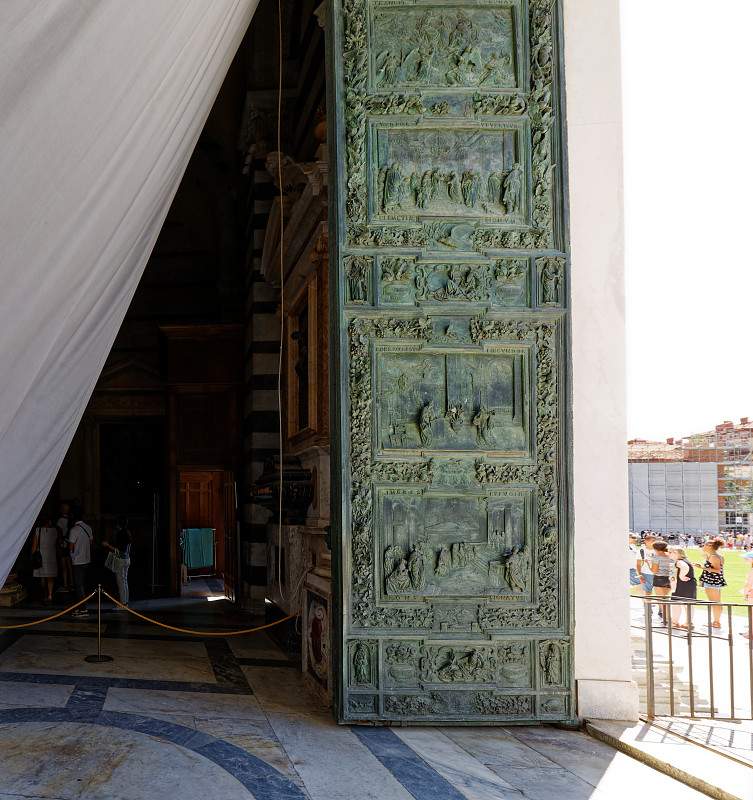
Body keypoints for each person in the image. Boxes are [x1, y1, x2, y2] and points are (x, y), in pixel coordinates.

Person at [694, 537, 727, 629]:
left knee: (715, 602)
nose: (703, 546)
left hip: (712, 582)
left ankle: (716, 622)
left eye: (705, 544)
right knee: (716, 602)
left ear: (710, 546)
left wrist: (701, 567)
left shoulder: (714, 556)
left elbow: (716, 570)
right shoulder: (715, 555)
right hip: (714, 581)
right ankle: (716, 621)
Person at [68, 509, 93, 617]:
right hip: (87, 560)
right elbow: (91, 542)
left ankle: (83, 609)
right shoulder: (88, 528)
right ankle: (81, 607)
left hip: (78, 561)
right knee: (82, 584)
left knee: (79, 586)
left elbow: (71, 546)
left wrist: (72, 555)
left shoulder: (74, 530)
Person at [104, 518, 132, 607]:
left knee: (120, 582)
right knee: (125, 582)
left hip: (120, 560)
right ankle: (125, 602)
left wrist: (107, 545)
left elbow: (119, 550)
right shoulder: (128, 532)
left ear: (118, 525)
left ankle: (123, 604)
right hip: (127, 559)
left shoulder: (120, 534)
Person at [31, 516, 59, 602]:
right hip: (51, 555)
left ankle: (45, 594)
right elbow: (58, 543)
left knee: (42, 576)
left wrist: (32, 555)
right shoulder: (55, 531)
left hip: (41, 556)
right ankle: (50, 595)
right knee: (50, 577)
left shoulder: (38, 530)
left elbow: (34, 546)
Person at [669, 546, 696, 629]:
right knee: (688, 604)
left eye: (670, 552)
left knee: (676, 604)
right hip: (688, 584)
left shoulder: (679, 561)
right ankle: (688, 622)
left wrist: (681, 575)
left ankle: (674, 622)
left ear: (676, 553)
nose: (669, 554)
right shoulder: (686, 560)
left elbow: (684, 567)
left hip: (682, 585)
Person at [648, 540, 674, 623]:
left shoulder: (656, 557)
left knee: (661, 600)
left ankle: (666, 619)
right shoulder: (671, 556)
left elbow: (654, 571)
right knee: (666, 599)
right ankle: (669, 618)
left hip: (659, 579)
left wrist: (648, 564)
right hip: (669, 579)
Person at [55, 502, 72, 592]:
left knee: (64, 565)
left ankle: (65, 584)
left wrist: (60, 541)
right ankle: (72, 583)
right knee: (69, 564)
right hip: (69, 542)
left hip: (63, 543)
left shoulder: (60, 520)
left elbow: (59, 531)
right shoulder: (71, 519)